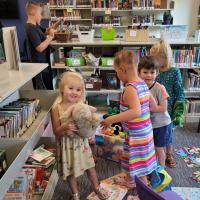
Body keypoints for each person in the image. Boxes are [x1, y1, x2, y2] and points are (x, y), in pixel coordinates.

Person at [101, 50, 157, 186]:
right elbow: (153, 105)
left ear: (121, 70)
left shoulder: (130, 88)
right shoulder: (143, 84)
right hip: (144, 131)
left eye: (117, 72)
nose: (117, 75)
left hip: (137, 135)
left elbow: (136, 111)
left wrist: (111, 119)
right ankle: (130, 180)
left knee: (140, 167)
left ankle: (143, 192)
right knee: (133, 158)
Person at [51, 71, 109, 200]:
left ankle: (96, 188)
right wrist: (65, 127)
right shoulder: (56, 108)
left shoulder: (81, 106)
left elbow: (89, 122)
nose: (74, 92)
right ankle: (75, 194)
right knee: (71, 172)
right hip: (66, 146)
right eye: (70, 88)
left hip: (81, 144)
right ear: (62, 89)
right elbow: (56, 131)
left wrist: (91, 129)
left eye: (78, 90)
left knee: (90, 166)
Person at [150, 40, 185, 168]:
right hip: (155, 106)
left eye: (155, 58)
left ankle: (169, 154)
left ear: (164, 58)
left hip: (169, 108)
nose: (153, 61)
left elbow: (180, 90)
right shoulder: (154, 71)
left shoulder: (174, 72)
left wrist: (179, 109)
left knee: (168, 132)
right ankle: (156, 153)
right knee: (156, 130)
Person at [138, 56, 172, 167]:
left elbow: (163, 108)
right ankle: (153, 168)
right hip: (149, 125)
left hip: (161, 124)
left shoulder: (159, 88)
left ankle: (161, 170)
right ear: (139, 73)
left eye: (152, 72)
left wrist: (146, 109)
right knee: (150, 148)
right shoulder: (138, 87)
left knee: (159, 148)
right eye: (145, 72)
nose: (149, 75)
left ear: (157, 73)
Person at [25, 2, 62, 89]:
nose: (41, 16)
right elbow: (40, 48)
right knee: (42, 88)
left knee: (46, 84)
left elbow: (47, 30)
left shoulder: (35, 26)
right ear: (33, 13)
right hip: (38, 65)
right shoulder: (30, 28)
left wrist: (58, 22)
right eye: (40, 14)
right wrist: (51, 37)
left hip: (43, 63)